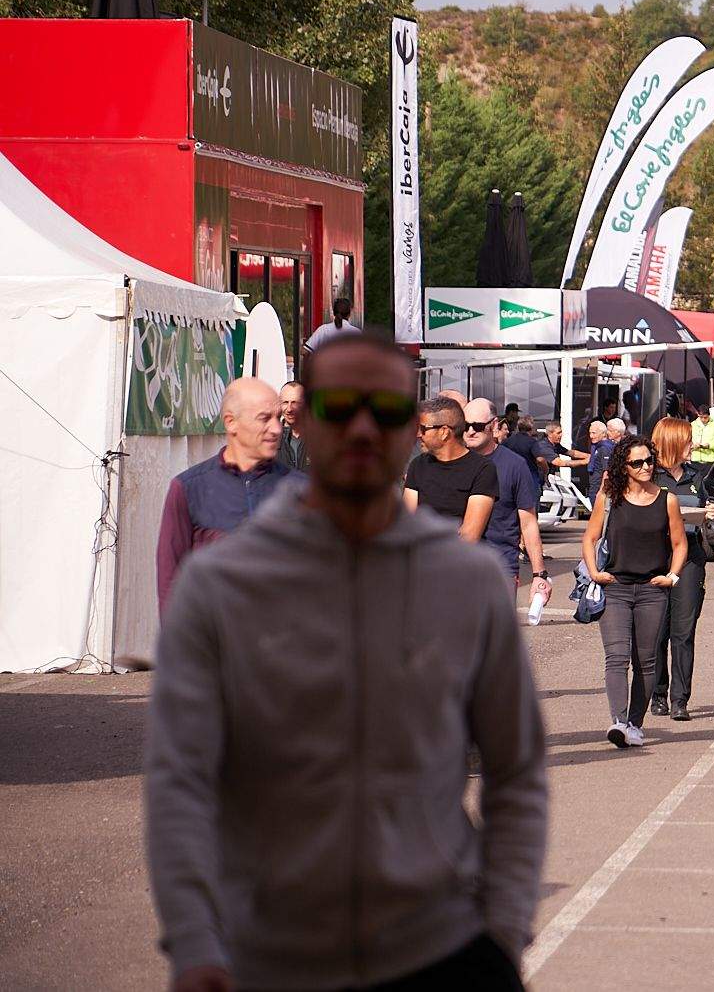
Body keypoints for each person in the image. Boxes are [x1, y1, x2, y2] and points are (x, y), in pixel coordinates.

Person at [144, 329, 545, 991]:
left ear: (411, 428)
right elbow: (180, 779)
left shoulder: (466, 583)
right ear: (306, 418)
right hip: (272, 951)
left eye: (385, 410)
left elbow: (518, 770)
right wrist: (194, 940)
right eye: (339, 406)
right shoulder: (222, 584)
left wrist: (503, 927)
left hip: (437, 945)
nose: (362, 425)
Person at [156, 377, 301, 611]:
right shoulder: (189, 489)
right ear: (231, 422)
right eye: (264, 418)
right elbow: (170, 585)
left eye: (277, 418)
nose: (276, 428)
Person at [581, 433, 688, 748]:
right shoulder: (609, 497)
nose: (645, 466)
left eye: (649, 460)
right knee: (616, 657)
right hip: (615, 588)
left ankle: (634, 724)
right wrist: (595, 571)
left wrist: (672, 576)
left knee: (647, 660)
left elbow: (680, 543)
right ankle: (618, 721)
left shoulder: (668, 498)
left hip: (652, 590)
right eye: (637, 462)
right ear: (622, 467)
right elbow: (589, 538)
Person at [462, 400, 551, 608]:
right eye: (465, 426)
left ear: (493, 425)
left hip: (500, 567)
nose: (470, 432)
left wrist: (539, 574)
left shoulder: (514, 465)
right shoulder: (454, 463)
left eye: (477, 426)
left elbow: (528, 523)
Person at [648, 416, 708, 721]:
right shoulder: (648, 475)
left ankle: (680, 699)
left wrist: (706, 513)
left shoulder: (697, 476)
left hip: (691, 558)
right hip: (655, 559)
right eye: (688, 440)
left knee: (683, 633)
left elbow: (707, 508)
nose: (693, 445)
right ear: (672, 442)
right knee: (656, 632)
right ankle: (657, 693)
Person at [404, 397, 498, 543]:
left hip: (460, 562)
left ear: (444, 432)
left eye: (423, 428)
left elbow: (469, 536)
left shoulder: (483, 470)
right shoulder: (418, 465)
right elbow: (406, 522)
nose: (418, 434)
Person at [276, 380, 307, 472]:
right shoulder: (270, 439)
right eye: (285, 402)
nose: (289, 409)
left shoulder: (320, 437)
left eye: (295, 403)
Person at [690, 404, 714, 472]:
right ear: (698, 415)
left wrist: (709, 445)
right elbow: (687, 441)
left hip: (710, 461)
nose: (703, 420)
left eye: (705, 417)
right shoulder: (693, 425)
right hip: (695, 460)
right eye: (701, 417)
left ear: (709, 415)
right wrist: (692, 446)